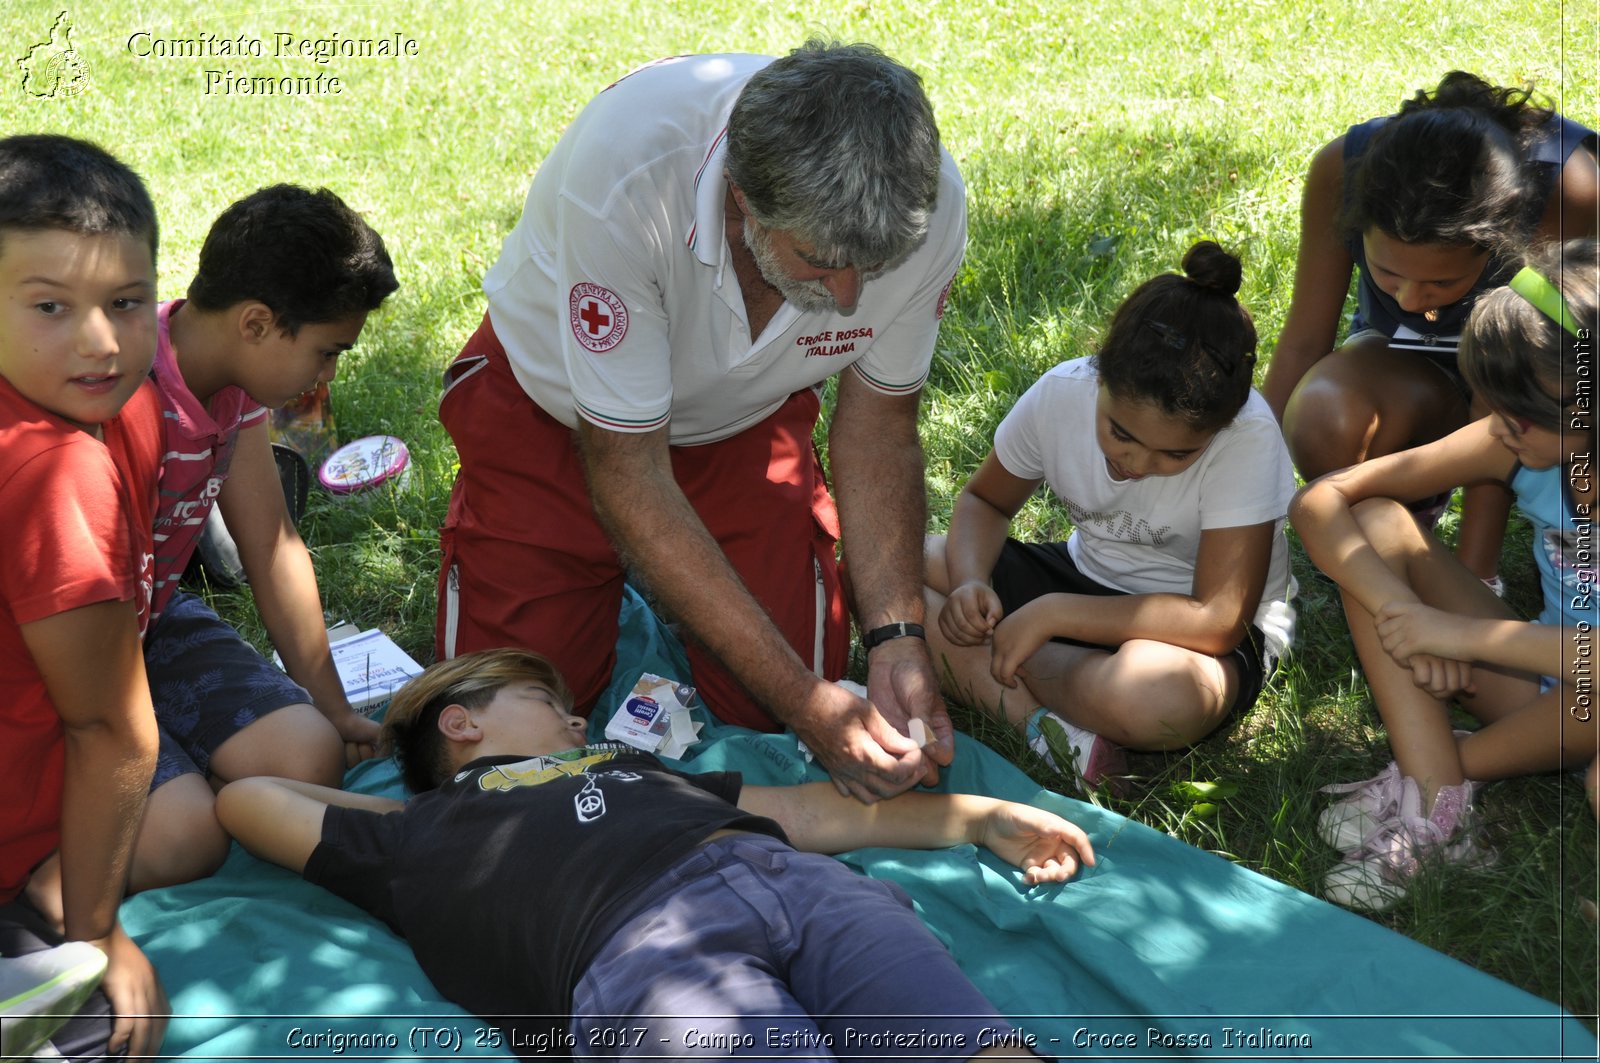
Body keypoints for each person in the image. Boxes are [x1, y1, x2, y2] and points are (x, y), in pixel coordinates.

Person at [435, 41, 967, 803]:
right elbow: (632, 473)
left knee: (783, 704)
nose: (850, 297)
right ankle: (600, 582)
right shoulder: (625, 179)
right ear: (743, 198)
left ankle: (665, 598)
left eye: (873, 266)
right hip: (552, 412)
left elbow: (881, 427)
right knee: (502, 737)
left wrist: (897, 636)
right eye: (821, 260)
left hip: (744, 420)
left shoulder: (928, 203)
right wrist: (806, 702)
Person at [215, 648, 1094, 1058]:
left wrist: (979, 818)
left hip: (800, 888)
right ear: (462, 720)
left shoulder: (624, 762)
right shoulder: (415, 838)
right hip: (642, 957)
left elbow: (816, 815)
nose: (574, 719)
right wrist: (416, 806)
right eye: (547, 700)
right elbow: (247, 797)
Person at [1290, 239, 1598, 911]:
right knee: (1374, 520)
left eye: (1516, 413)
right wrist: (1405, 617)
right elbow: (1322, 501)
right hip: (1539, 680)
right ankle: (1438, 798)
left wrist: (1456, 636)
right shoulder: (1514, 437)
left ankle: (1447, 774)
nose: (1496, 426)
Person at [923, 242, 1296, 790]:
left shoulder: (1249, 436)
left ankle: (1013, 674)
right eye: (1120, 433)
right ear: (1098, 376)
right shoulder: (1061, 394)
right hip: (1086, 577)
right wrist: (974, 581)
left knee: (1159, 701)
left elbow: (1216, 618)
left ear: (1221, 427)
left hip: (1195, 631)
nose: (1136, 463)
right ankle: (1047, 728)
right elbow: (984, 502)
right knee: (900, 562)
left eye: (1176, 455)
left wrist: (1049, 615)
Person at [132, 184, 398, 890]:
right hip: (60, 660)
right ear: (257, 323)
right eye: (326, 350)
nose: (329, 375)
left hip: (150, 621)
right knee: (185, 836)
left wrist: (333, 707)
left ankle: (185, 763)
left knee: (312, 756)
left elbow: (274, 544)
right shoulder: (119, 394)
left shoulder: (236, 388)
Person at [1262, 71, 1598, 589]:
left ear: (1500, 240)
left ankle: (1469, 557)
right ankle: (1397, 530)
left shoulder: (1567, 186)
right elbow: (1305, 341)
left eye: (1442, 281)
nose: (1410, 300)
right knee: (1323, 414)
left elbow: (1527, 394)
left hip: (1537, 380)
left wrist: (1475, 579)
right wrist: (1241, 501)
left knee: (1531, 414)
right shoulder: (1342, 170)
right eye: (1388, 273)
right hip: (1404, 369)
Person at [0, 133, 169, 1060]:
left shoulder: (95, 409)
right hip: (17, 862)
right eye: (52, 307)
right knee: (110, 1025)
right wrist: (94, 932)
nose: (101, 340)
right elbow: (112, 727)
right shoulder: (55, 469)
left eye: (127, 303)